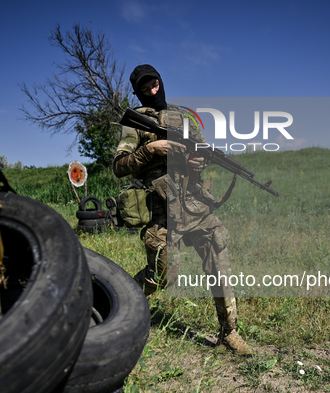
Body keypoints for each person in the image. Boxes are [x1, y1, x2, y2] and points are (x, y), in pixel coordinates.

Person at [112, 64, 250, 355]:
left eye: (155, 83)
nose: (153, 90)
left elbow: (201, 152)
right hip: (162, 208)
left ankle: (229, 333)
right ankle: (117, 301)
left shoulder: (184, 117)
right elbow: (119, 166)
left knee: (218, 264)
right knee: (162, 275)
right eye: (146, 87)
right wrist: (151, 149)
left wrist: (198, 162)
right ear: (138, 91)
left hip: (194, 204)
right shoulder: (136, 121)